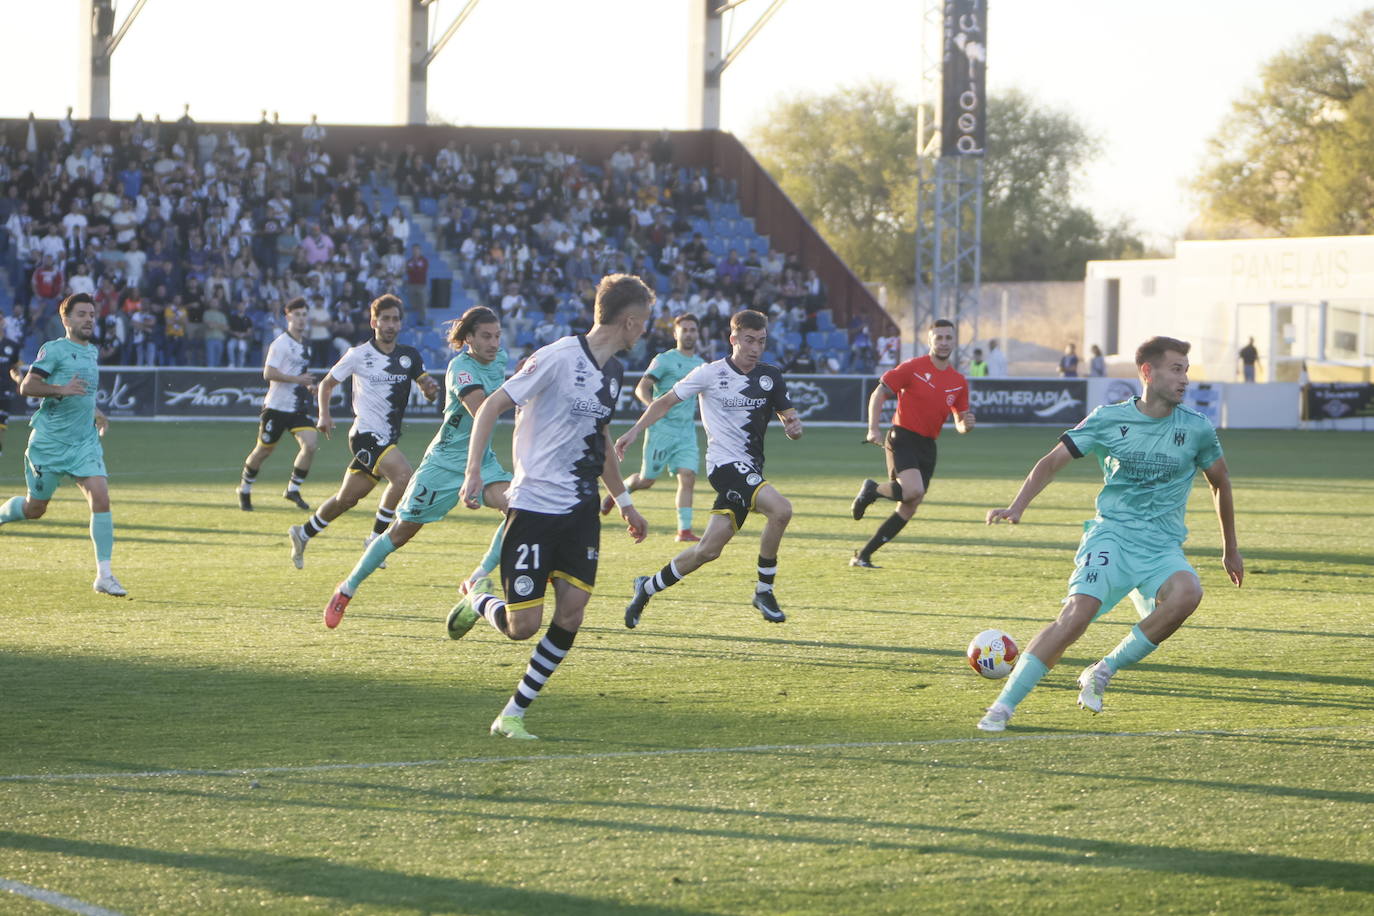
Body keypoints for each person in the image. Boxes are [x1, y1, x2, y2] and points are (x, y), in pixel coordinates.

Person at [977, 336, 1243, 732]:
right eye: (1176, 369)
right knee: (1075, 618)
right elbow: (1052, 461)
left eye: (1186, 370)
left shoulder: (1197, 428)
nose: (1184, 379)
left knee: (1189, 593)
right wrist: (1018, 505)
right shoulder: (1107, 418)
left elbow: (1220, 482)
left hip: (1161, 547)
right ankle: (1003, 707)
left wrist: (1230, 550)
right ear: (1147, 372)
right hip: (1112, 536)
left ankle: (1103, 670)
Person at [446, 274, 651, 740]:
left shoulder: (615, 374)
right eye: (644, 323)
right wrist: (474, 472)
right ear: (630, 321)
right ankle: (477, 598)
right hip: (535, 507)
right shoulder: (556, 357)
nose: (645, 331)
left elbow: (598, 441)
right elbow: (491, 406)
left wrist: (624, 501)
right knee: (523, 627)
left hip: (579, 511)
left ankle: (513, 714)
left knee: (572, 612)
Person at [324, 307, 512, 628]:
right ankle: (346, 589)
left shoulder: (501, 359)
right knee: (400, 533)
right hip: (443, 465)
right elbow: (482, 410)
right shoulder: (460, 369)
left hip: (482, 461)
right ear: (468, 339)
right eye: (486, 337)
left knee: (519, 509)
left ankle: (475, 579)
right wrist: (522, 392)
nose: (494, 343)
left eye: (497, 336)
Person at [618, 308, 803, 629]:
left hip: (751, 470)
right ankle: (764, 591)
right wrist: (634, 431)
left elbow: (788, 416)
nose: (755, 348)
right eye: (748, 340)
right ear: (733, 339)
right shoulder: (709, 373)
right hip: (724, 466)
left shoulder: (770, 376)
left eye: (761, 341)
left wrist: (792, 426)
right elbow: (664, 401)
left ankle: (645, 587)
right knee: (781, 510)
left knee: (707, 550)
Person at [288, 294, 439, 569]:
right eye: (385, 319)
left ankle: (303, 532)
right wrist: (324, 414)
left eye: (395, 319)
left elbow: (426, 387)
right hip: (365, 436)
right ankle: (375, 539)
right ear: (374, 321)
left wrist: (430, 389)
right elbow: (326, 384)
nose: (391, 324)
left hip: (386, 438)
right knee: (404, 476)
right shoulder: (358, 355)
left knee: (346, 499)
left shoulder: (410, 356)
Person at [0, 293, 125, 596]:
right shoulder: (53, 349)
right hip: (49, 444)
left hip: (83, 442)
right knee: (35, 509)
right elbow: (28, 386)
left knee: (101, 496)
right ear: (66, 320)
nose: (89, 320)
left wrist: (96, 412)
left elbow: (81, 392)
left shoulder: (92, 352)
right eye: (82, 314)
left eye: (92, 315)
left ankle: (104, 576)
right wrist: (59, 390)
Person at [850, 318, 974, 568]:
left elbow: (960, 423)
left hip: (928, 447)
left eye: (948, 337)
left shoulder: (958, 381)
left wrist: (965, 425)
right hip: (903, 436)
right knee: (913, 491)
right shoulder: (913, 367)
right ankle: (872, 489)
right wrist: (873, 428)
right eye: (938, 337)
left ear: (954, 341)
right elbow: (879, 393)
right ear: (929, 340)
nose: (943, 342)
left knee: (909, 505)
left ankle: (864, 555)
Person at [600, 312, 706, 542]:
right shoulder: (664, 360)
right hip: (661, 430)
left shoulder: (701, 365)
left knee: (687, 476)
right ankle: (620, 492)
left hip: (686, 432)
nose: (689, 334)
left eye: (693, 330)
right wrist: (654, 408)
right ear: (675, 333)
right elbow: (642, 388)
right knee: (647, 480)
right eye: (685, 329)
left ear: (698, 334)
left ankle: (684, 531)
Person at [238, 298, 318, 512]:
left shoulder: (304, 346)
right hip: (275, 408)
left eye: (304, 315)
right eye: (297, 315)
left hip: (296, 408)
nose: (301, 319)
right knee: (263, 451)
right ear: (288, 316)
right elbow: (268, 373)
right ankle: (244, 489)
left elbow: (300, 376)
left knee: (310, 444)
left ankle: (293, 489)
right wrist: (297, 380)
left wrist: (309, 386)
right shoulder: (280, 343)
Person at [0, 334, 23, 456]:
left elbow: (14, 368)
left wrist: (20, 381)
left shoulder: (11, 345)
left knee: (2, 420)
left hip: (5, 389)